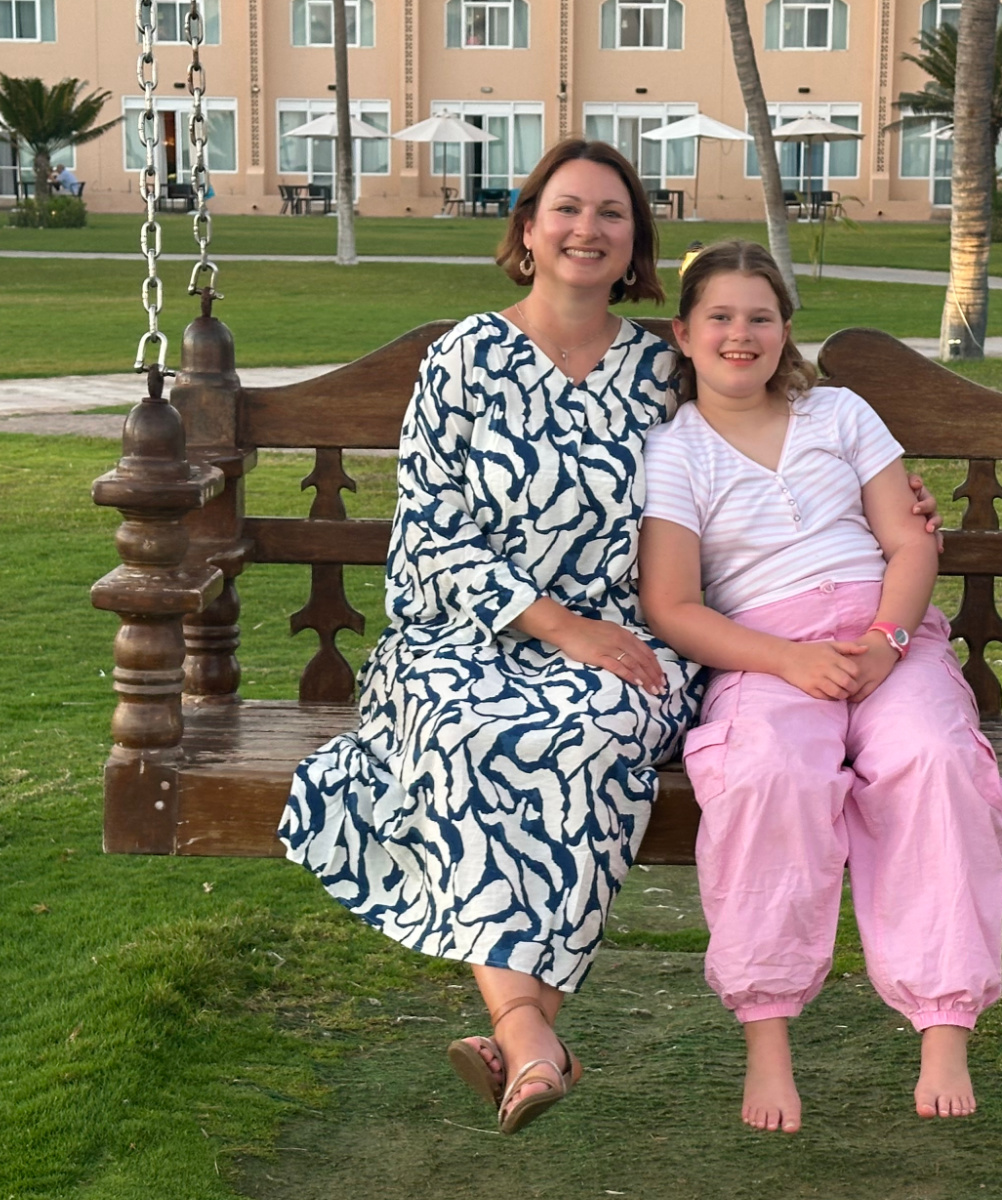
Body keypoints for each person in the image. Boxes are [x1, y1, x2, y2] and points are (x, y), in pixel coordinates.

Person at [278, 141, 942, 1136]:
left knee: (597, 723)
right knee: (469, 724)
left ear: (635, 244)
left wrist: (876, 499)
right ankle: (529, 1030)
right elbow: (427, 533)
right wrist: (552, 624)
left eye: (612, 214)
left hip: (632, 635)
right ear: (529, 228)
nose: (588, 229)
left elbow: (761, 441)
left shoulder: (660, 368)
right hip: (473, 630)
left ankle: (522, 1035)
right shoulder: (463, 360)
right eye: (567, 209)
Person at [638, 240, 1002, 1134]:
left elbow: (911, 542)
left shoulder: (839, 413)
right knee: (768, 774)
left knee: (933, 759)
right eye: (720, 318)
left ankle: (944, 1018)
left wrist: (887, 642)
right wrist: (785, 661)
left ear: (785, 332)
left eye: (759, 317)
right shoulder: (675, 451)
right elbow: (673, 604)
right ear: (684, 335)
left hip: (886, 632)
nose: (741, 334)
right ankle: (768, 1037)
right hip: (765, 650)